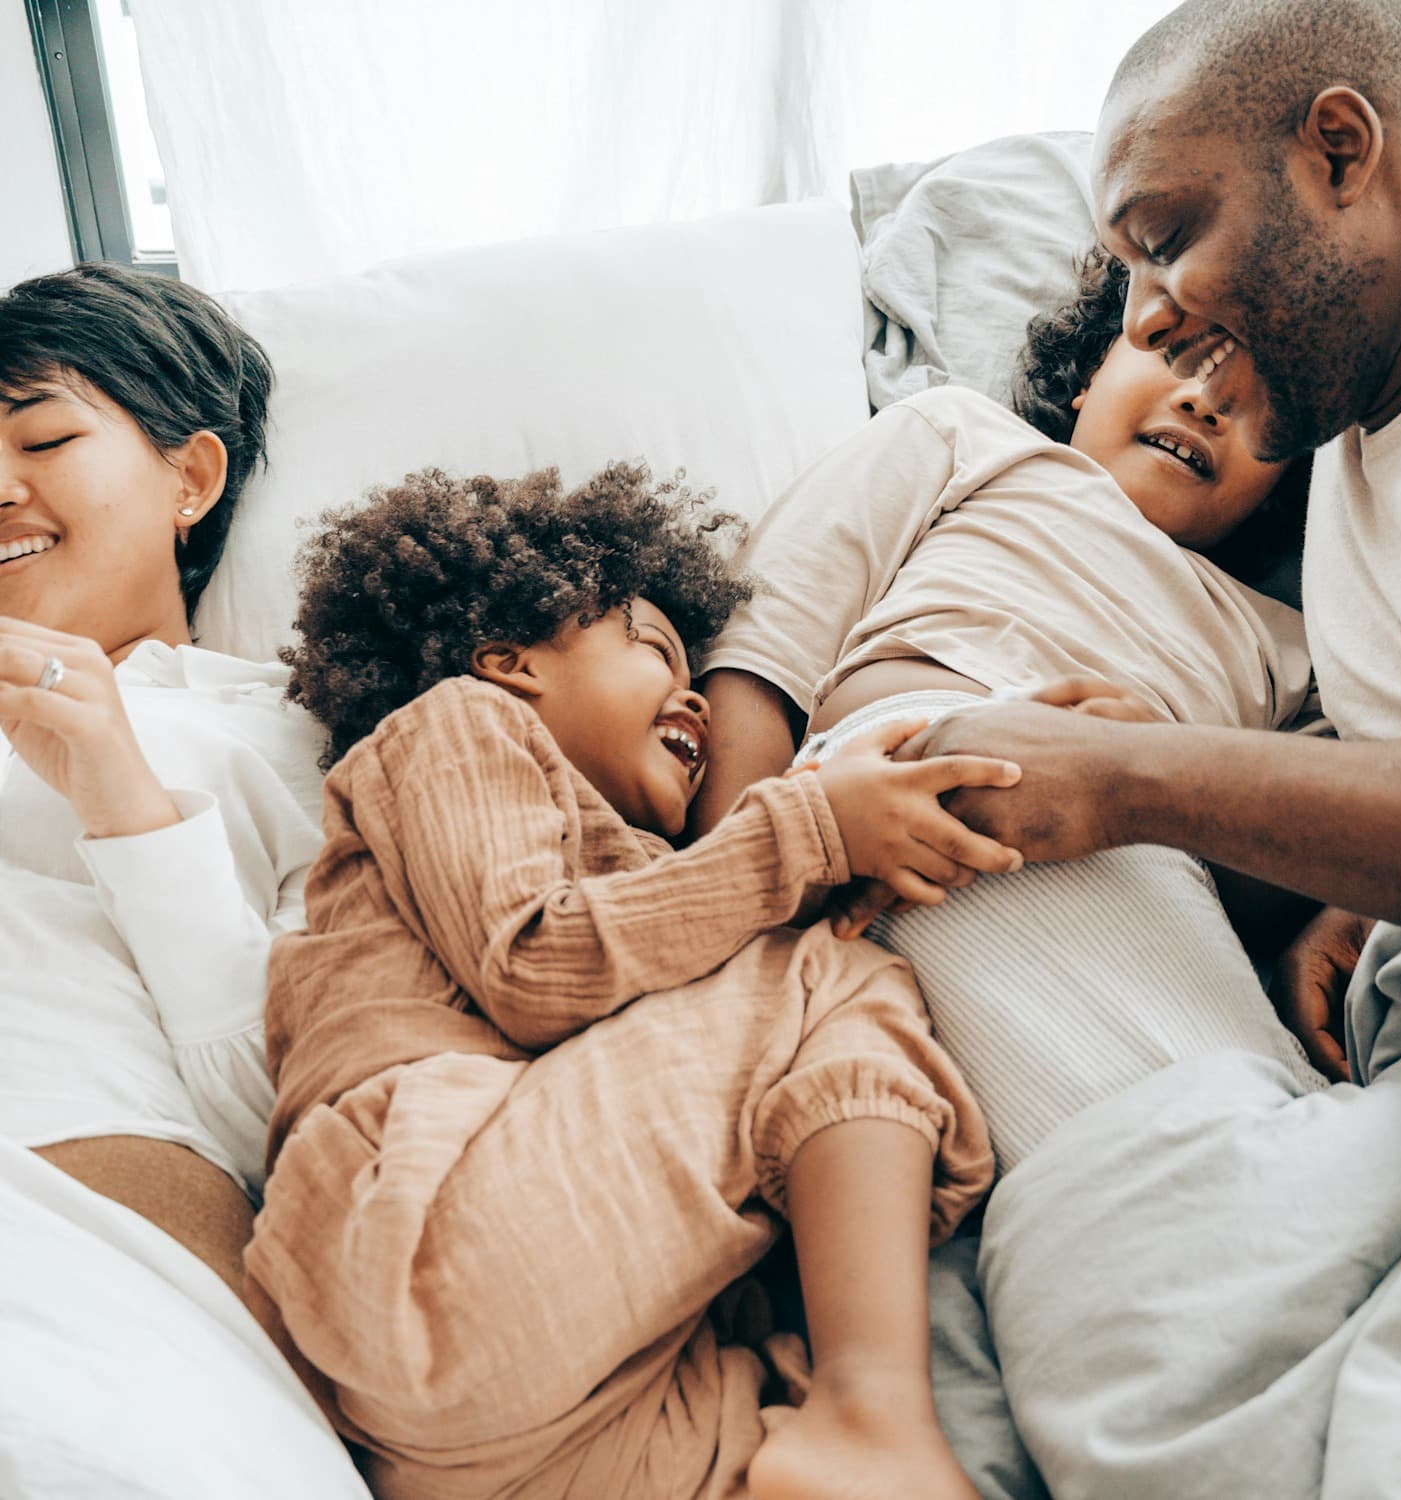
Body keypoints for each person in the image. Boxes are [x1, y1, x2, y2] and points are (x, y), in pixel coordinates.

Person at [875, 2, 1401, 1495]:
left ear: (1340, 151)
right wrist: (1353, 889)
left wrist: (1134, 785)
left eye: (1166, 242)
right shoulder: (1352, 440)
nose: (1150, 317)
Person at [245, 462, 999, 1500]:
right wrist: (814, 827)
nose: (694, 696)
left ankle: (839, 1431)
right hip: (424, 1236)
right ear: (509, 661)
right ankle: (872, 1407)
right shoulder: (457, 728)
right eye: (649, 643)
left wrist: (990, 739)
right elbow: (533, 961)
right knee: (832, 978)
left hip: (514, 1426)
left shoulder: (657, 885)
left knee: (770, 1446)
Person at [694, 244, 1325, 1175]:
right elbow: (761, 648)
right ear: (1090, 371)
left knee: (1238, 1114)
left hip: (1145, 855)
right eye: (1176, 349)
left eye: (1260, 393)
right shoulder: (968, 439)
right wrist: (738, 893)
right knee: (1193, 1149)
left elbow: (1287, 866)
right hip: (896, 790)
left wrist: (1166, 772)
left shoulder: (1296, 646)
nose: (1205, 399)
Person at [0, 264, 367, 1497]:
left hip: (78, 1243)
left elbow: (297, 1117)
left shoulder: (291, 735)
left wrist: (126, 803)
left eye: (42, 437)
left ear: (191, 480)